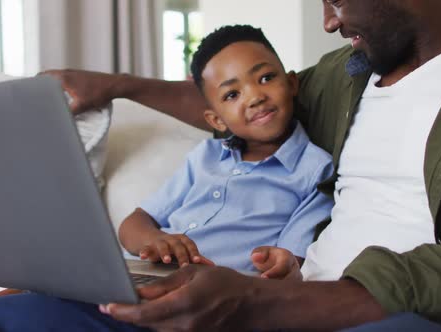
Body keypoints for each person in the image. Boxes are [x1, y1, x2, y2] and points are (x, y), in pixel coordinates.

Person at [0, 0, 441, 331]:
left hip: (392, 316)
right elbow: (241, 106)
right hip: (271, 305)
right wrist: (118, 85)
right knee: (9, 319)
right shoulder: (351, 70)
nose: (328, 19)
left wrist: (261, 303)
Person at [118, 24, 334, 277]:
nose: (255, 97)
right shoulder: (205, 156)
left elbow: (290, 261)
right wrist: (153, 240)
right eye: (232, 94)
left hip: (212, 291)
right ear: (217, 121)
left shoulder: (315, 170)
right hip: (145, 276)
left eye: (265, 78)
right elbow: (133, 224)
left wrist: (281, 263)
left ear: (291, 83)